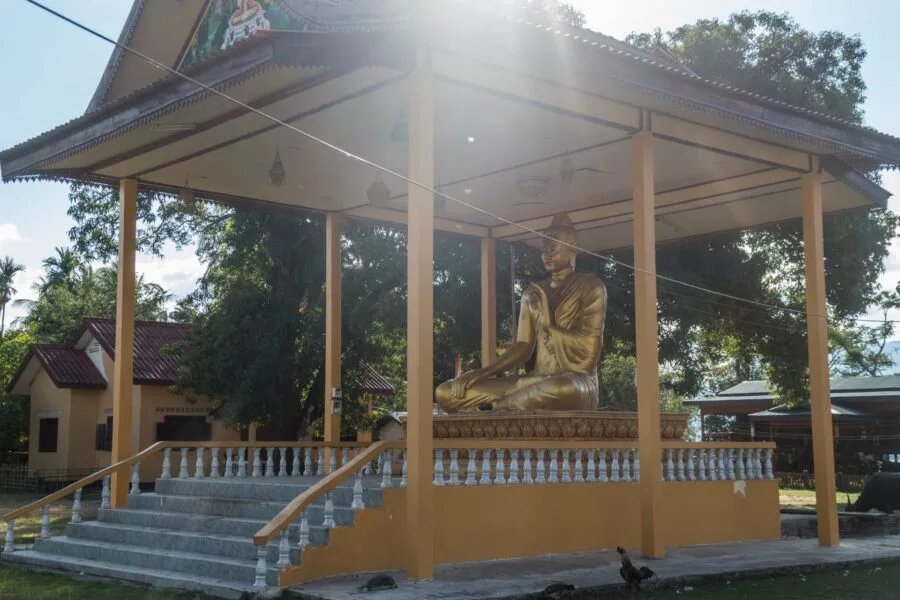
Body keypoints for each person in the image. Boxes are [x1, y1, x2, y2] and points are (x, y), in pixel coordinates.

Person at [435, 213, 607, 412]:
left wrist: (548, 325)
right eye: (544, 250)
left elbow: (588, 355)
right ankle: (502, 407)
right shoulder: (532, 293)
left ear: (572, 248)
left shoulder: (591, 286)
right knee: (446, 392)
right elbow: (523, 346)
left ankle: (496, 408)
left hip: (575, 383)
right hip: (534, 382)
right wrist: (482, 373)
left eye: (553, 248)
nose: (547, 255)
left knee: (562, 388)